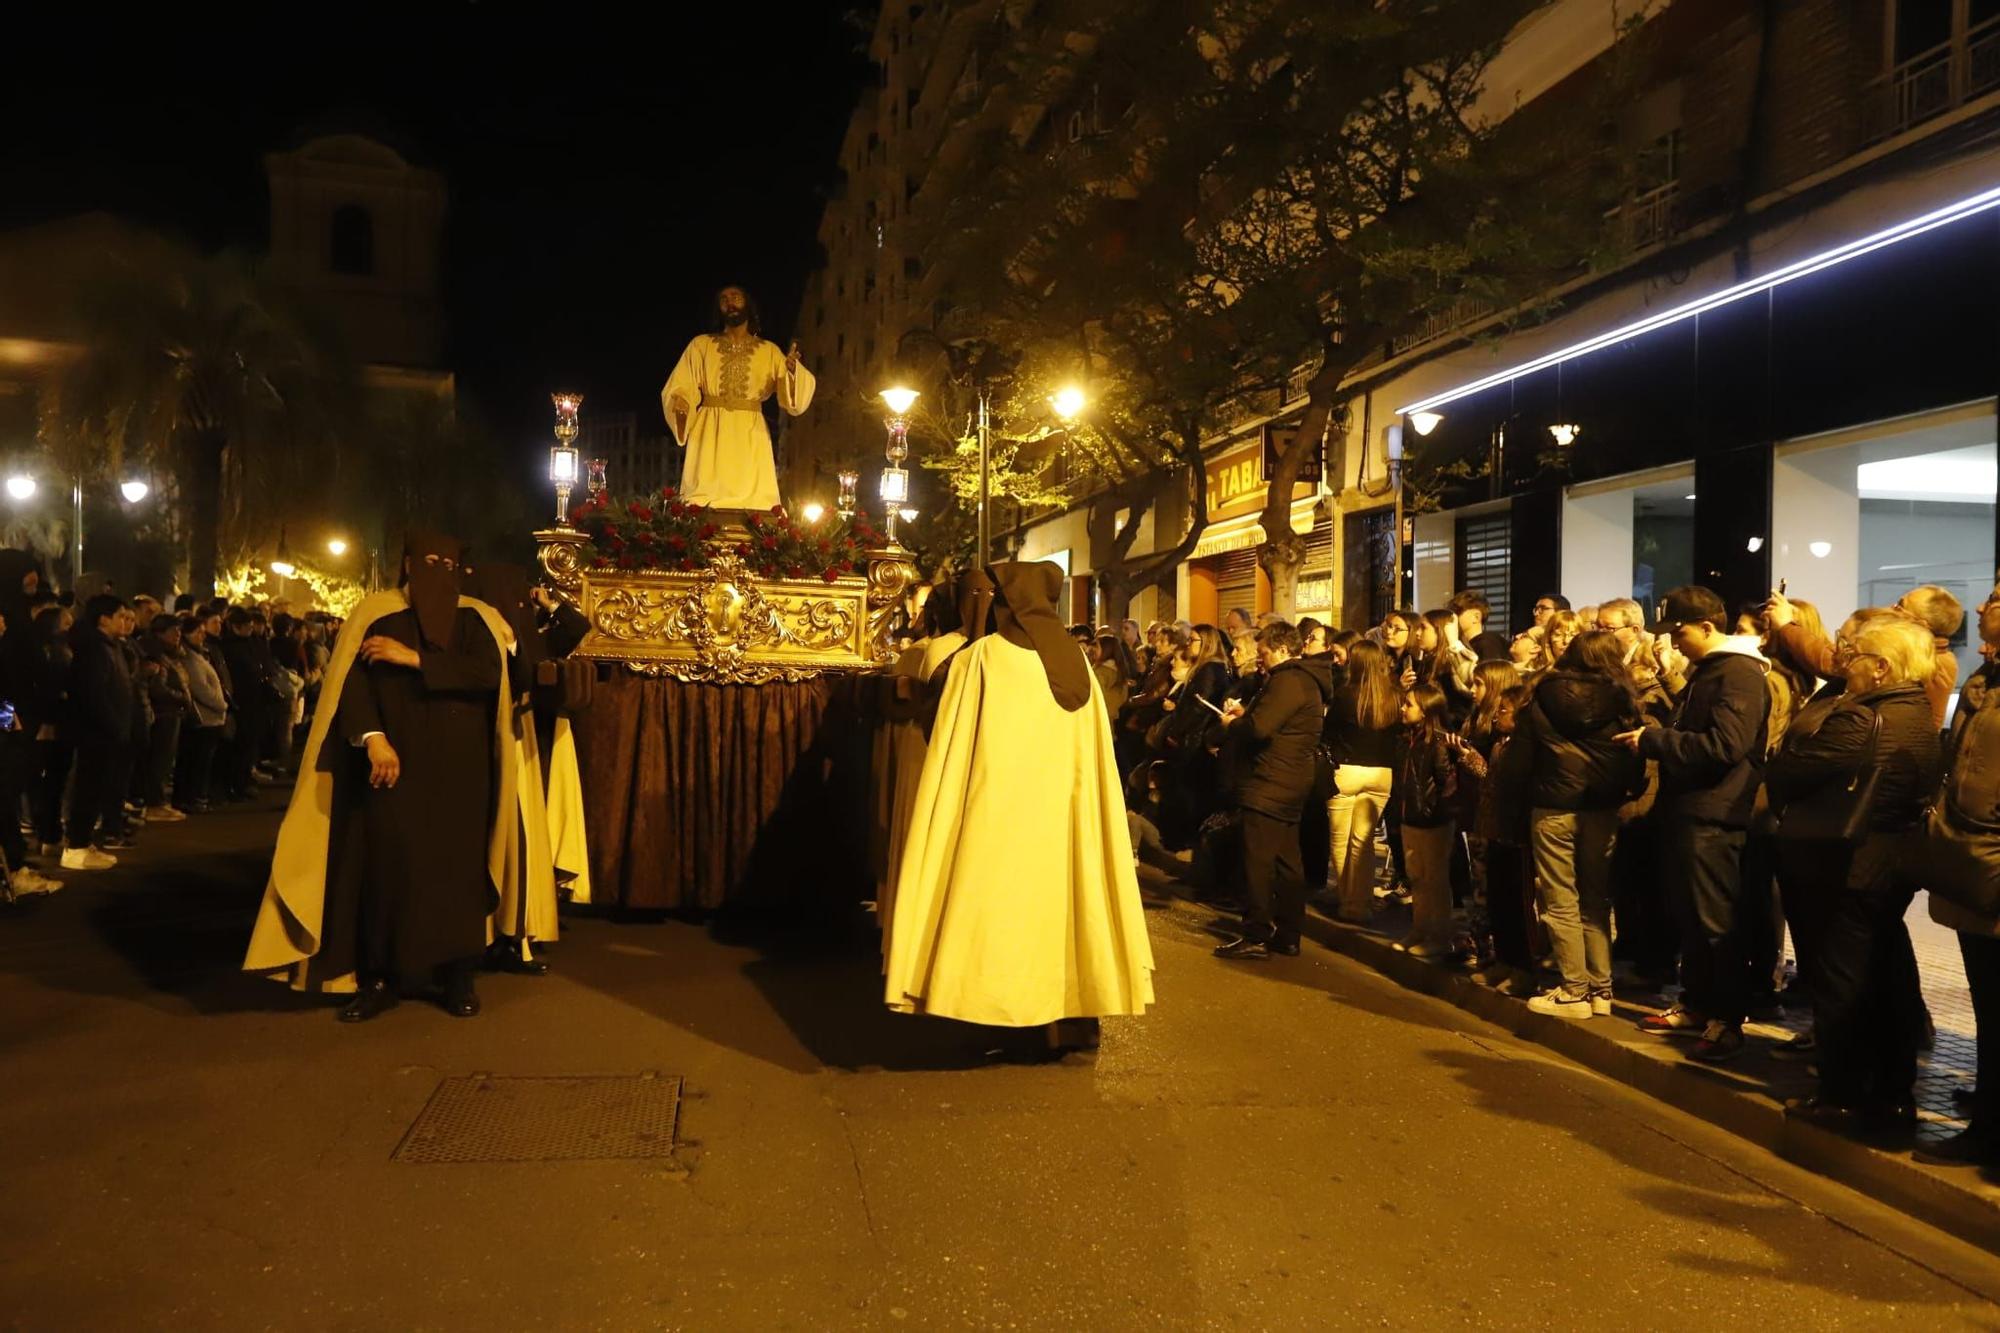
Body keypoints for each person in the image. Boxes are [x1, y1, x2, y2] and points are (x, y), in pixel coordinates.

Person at [243, 530, 523, 1022]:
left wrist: (413, 658)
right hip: (391, 768)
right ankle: (376, 978)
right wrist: (373, 739)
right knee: (383, 869)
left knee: (455, 872)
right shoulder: (375, 613)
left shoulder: (477, 619)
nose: (437, 569)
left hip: (461, 774)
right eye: (427, 560)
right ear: (407, 564)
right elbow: (350, 686)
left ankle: (456, 976)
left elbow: (486, 676)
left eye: (447, 561)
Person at [884, 561, 1154, 1051]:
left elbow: (945, 734)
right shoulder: (1080, 665)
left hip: (997, 812)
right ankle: (1066, 1019)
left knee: (998, 908)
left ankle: (996, 1016)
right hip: (1062, 818)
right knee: (1065, 907)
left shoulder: (981, 658)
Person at [1769, 615, 1939, 1138]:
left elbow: (1787, 768)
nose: (1845, 664)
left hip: (1841, 866)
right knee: (1882, 980)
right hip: (1887, 865)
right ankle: (1891, 1096)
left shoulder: (1859, 719)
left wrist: (1788, 749)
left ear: (1882, 667)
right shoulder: (1916, 713)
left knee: (1843, 985)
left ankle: (1842, 1095)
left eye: (1854, 655)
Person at [1617, 585, 1770, 1063]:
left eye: (1679, 631)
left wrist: (1655, 740)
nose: (1673, 641)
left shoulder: (1740, 673)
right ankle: (1697, 1003)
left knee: (1714, 921)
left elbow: (1726, 745)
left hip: (1716, 815)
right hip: (1690, 812)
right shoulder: (1710, 671)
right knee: (1691, 918)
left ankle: (1726, 1019)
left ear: (1708, 627)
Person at [1518, 632, 1644, 1019]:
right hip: (1603, 806)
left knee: (1561, 899)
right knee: (1595, 899)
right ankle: (1600, 990)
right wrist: (1626, 792)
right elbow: (1636, 757)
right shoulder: (1624, 697)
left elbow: (1524, 753)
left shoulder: (1544, 692)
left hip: (1554, 804)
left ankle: (1574, 990)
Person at [1921, 584, 2000, 1166]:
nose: (1980, 608)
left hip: (1992, 858)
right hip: (1973, 861)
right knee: (1989, 1005)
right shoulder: (1983, 682)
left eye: (1995, 597)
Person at [1214, 622, 1335, 961]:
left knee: (1258, 861)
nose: (1260, 660)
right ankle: (1288, 933)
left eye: (1264, 652)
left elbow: (1261, 729)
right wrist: (1247, 713)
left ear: (1282, 650)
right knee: (1286, 861)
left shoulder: (1288, 680)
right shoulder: (1306, 680)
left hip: (1271, 780)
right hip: (1291, 779)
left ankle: (1256, 933)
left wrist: (1233, 723)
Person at [661, 285, 815, 512]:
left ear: (748, 305)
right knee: (705, 496)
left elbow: (792, 398)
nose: (729, 303)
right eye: (723, 299)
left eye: (735, 297)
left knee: (753, 499)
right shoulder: (700, 345)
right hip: (710, 430)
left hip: (750, 432)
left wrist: (793, 372)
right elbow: (680, 384)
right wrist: (681, 401)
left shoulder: (768, 350)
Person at [1765, 585, 1962, 729]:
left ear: (1921, 625)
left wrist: (1785, 625)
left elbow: (1832, 662)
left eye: (1900, 606)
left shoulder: (1920, 661)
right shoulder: (1940, 659)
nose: (1890, 608)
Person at [1324, 639, 1401, 922]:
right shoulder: (1394, 695)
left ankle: (1348, 902)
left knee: (1341, 839)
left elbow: (1328, 732)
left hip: (1347, 770)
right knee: (1364, 841)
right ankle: (1362, 901)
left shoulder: (1346, 695)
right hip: (1382, 774)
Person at [61, 594, 132, 871]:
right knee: (87, 789)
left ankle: (83, 840)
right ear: (104, 618)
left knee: (96, 788)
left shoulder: (109, 646)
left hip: (107, 731)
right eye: (120, 616)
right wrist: (113, 725)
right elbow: (94, 694)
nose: (125, 622)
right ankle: (76, 846)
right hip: (96, 733)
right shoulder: (94, 649)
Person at [1394, 683, 1462, 956]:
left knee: (1435, 880)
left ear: (1425, 711)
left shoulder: (1437, 742)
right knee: (1418, 878)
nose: (1403, 708)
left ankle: (1439, 936)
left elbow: (1446, 782)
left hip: (1432, 822)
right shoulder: (1408, 738)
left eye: (1409, 704)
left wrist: (1434, 810)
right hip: (1410, 817)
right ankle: (1420, 929)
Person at [175, 614, 228, 813]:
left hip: (211, 717)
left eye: (202, 632)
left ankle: (196, 796)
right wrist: (221, 704)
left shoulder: (199, 654)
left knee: (202, 761)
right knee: (195, 761)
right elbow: (200, 688)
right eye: (197, 632)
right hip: (204, 717)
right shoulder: (188, 657)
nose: (201, 636)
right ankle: (190, 797)